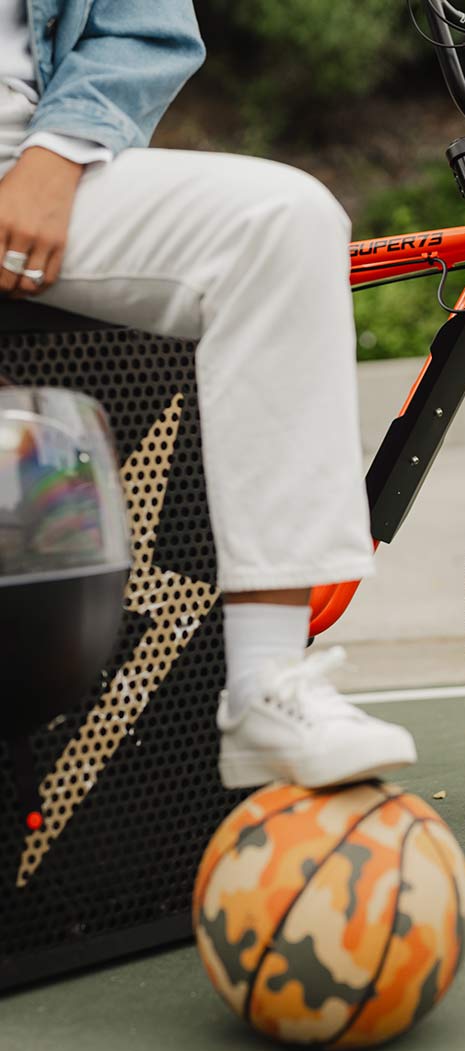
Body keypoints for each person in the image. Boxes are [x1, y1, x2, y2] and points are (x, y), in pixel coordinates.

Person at [0, 1, 417, 788]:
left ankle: (265, 685)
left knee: (285, 221)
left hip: (32, 158)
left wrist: (55, 154)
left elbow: (145, 25)